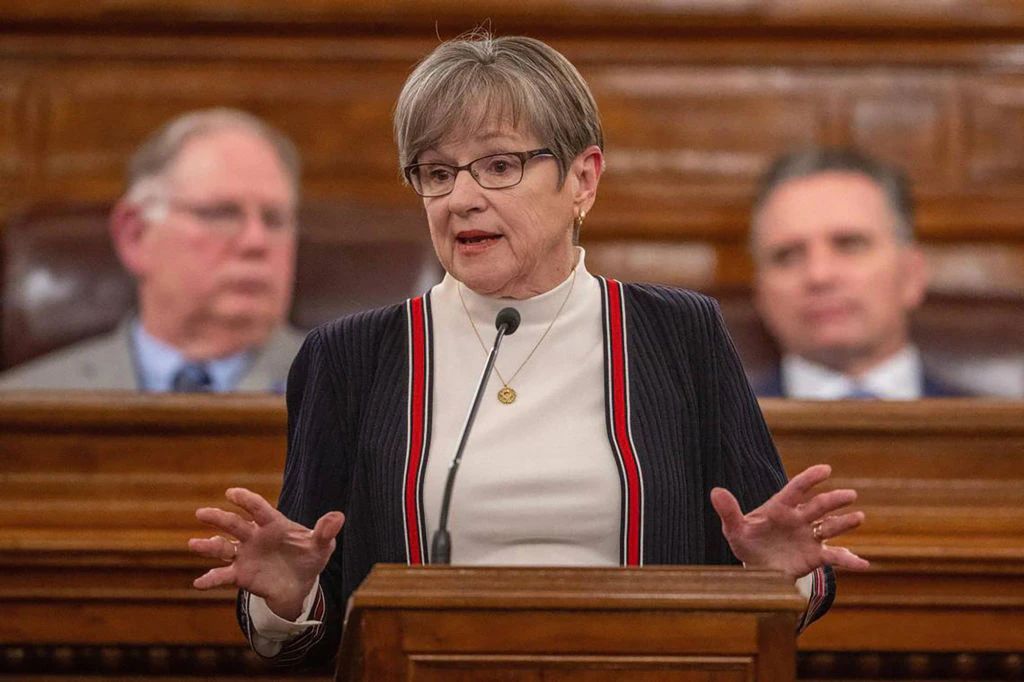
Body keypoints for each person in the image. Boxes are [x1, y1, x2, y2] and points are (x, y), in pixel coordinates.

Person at [189, 33, 869, 669]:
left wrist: (780, 576)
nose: (461, 198)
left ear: (584, 179)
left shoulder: (678, 335)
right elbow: (313, 621)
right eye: (435, 172)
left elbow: (768, 571)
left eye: (499, 166)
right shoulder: (352, 358)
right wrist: (287, 599)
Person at [0, 108, 305, 392]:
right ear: (135, 234)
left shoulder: (346, 395)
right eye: (220, 213)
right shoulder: (24, 405)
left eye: (275, 219)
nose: (256, 241)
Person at [748, 147, 967, 399]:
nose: (819, 275)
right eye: (787, 256)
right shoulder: (711, 435)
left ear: (911, 274)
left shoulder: (995, 433)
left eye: (849, 245)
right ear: (760, 292)